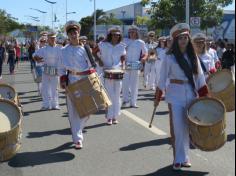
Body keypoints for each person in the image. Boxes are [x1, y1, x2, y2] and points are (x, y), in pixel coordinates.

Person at [154, 23, 209, 171]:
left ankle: (186, 158)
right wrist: (158, 94)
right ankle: (178, 158)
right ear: (176, 41)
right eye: (180, 38)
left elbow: (200, 77)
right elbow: (162, 77)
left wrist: (204, 95)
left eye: (185, 37)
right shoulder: (169, 57)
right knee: (178, 127)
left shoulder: (193, 56)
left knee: (187, 127)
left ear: (188, 39)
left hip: (190, 94)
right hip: (175, 94)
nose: (183, 40)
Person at [58, 20, 95, 149]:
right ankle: (77, 138)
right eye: (71, 33)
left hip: (85, 80)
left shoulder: (85, 48)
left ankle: (78, 129)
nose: (74, 35)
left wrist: (92, 77)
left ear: (79, 33)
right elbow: (61, 68)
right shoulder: (63, 50)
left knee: (87, 111)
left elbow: (92, 65)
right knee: (73, 111)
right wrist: (63, 80)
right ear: (68, 35)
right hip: (71, 80)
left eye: (76, 32)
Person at [94, 26, 126, 125]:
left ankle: (115, 116)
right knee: (109, 95)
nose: (116, 36)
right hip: (106, 71)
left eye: (118, 35)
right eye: (114, 35)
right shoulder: (102, 44)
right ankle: (109, 117)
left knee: (117, 95)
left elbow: (123, 58)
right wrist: (99, 60)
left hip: (118, 71)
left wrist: (123, 66)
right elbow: (93, 52)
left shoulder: (122, 46)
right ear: (110, 35)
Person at [34, 31, 61, 110]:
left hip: (56, 70)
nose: (52, 39)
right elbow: (34, 55)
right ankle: (46, 105)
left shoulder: (60, 48)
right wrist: (37, 59)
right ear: (48, 39)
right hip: (46, 69)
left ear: (55, 38)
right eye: (51, 38)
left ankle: (55, 104)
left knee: (55, 88)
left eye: (53, 38)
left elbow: (64, 58)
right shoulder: (44, 49)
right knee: (45, 88)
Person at [122, 25, 148, 108]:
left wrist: (143, 59)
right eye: (130, 32)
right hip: (126, 63)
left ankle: (133, 102)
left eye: (133, 32)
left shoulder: (141, 42)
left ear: (136, 33)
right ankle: (125, 100)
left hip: (136, 63)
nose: (131, 33)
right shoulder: (125, 41)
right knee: (125, 83)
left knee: (134, 84)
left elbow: (145, 53)